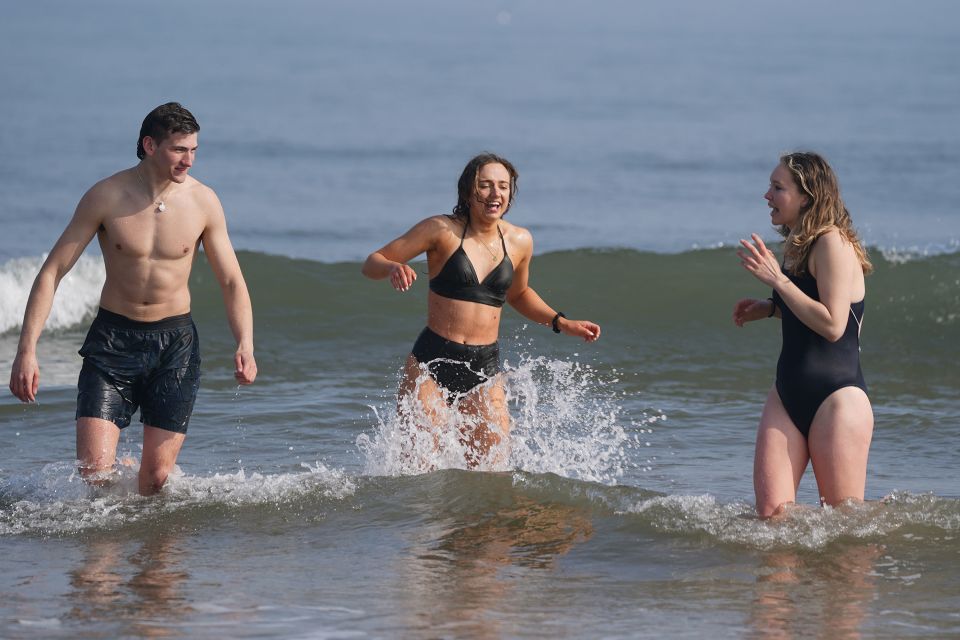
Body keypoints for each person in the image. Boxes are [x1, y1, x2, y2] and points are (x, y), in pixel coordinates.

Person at [8, 102, 257, 496]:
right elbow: (52, 272)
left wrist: (245, 342)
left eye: (194, 150)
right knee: (93, 474)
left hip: (174, 344)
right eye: (179, 149)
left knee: (154, 481)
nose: (188, 160)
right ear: (150, 145)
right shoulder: (106, 196)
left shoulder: (203, 201)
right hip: (113, 342)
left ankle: (150, 551)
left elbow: (231, 281)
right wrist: (26, 351)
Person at [362, 153, 600, 467]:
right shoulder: (440, 230)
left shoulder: (520, 240)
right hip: (430, 364)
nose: (495, 194)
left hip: (484, 367)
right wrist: (393, 266)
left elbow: (519, 294)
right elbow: (371, 263)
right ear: (467, 192)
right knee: (420, 471)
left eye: (503, 186)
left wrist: (561, 322)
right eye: (485, 185)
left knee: (491, 473)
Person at [733, 151, 874, 518]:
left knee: (844, 527)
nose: (767, 196)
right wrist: (770, 307)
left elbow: (832, 325)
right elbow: (807, 305)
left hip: (837, 401)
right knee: (772, 517)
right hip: (787, 393)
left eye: (778, 187)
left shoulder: (832, 243)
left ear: (807, 196)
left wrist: (777, 280)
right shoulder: (798, 242)